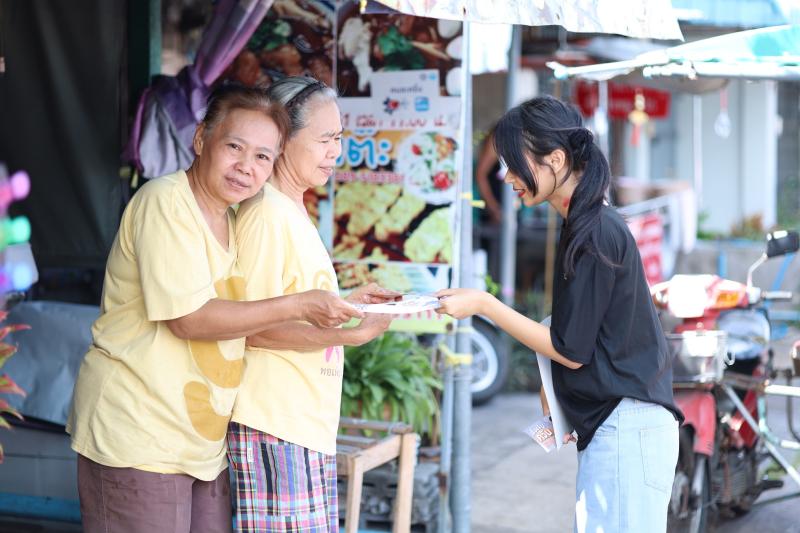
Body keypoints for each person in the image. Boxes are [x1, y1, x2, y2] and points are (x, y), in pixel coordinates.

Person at [67, 85, 364, 533]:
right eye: (234, 147)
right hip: (140, 432)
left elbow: (247, 314)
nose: (247, 166)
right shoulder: (166, 201)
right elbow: (190, 318)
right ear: (202, 139)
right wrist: (304, 306)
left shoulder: (228, 217)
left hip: (200, 445)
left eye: (263, 156)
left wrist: (342, 308)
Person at [435, 95, 682, 532]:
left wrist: (484, 304)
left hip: (627, 428)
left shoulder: (596, 231)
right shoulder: (584, 224)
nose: (505, 175)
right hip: (618, 425)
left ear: (556, 159)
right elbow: (581, 337)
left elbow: (571, 349)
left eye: (514, 163)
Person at [226, 76, 396, 533]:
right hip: (273, 420)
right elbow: (251, 326)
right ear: (282, 141)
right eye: (324, 139)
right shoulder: (265, 213)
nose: (335, 152)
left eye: (339, 139)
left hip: (299, 423)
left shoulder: (292, 207)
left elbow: (291, 303)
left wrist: (346, 305)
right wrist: (349, 335)